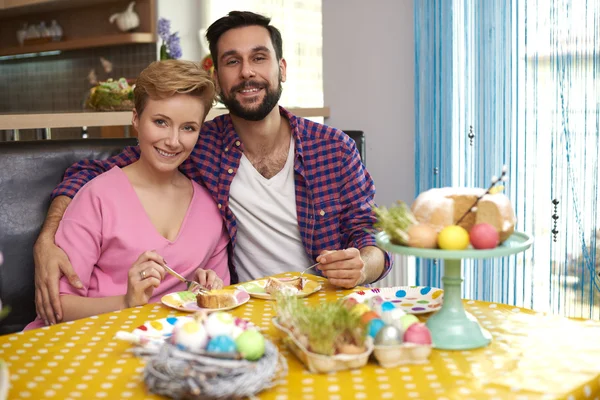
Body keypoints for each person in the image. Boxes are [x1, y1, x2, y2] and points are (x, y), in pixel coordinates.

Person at [33, 11, 392, 326]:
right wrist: (49, 237)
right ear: (218, 80)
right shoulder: (199, 143)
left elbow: (371, 237)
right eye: (232, 61)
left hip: (327, 309)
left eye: (259, 57)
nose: (247, 71)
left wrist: (362, 264)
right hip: (247, 315)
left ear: (281, 68)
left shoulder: (333, 148)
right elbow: (92, 174)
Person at [25, 60, 229, 329]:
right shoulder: (97, 198)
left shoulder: (210, 209)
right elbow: (56, 307)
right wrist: (125, 302)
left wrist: (208, 288)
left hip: (167, 350)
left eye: (188, 128)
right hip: (87, 345)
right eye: (160, 122)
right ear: (135, 119)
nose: (173, 140)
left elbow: (222, 298)